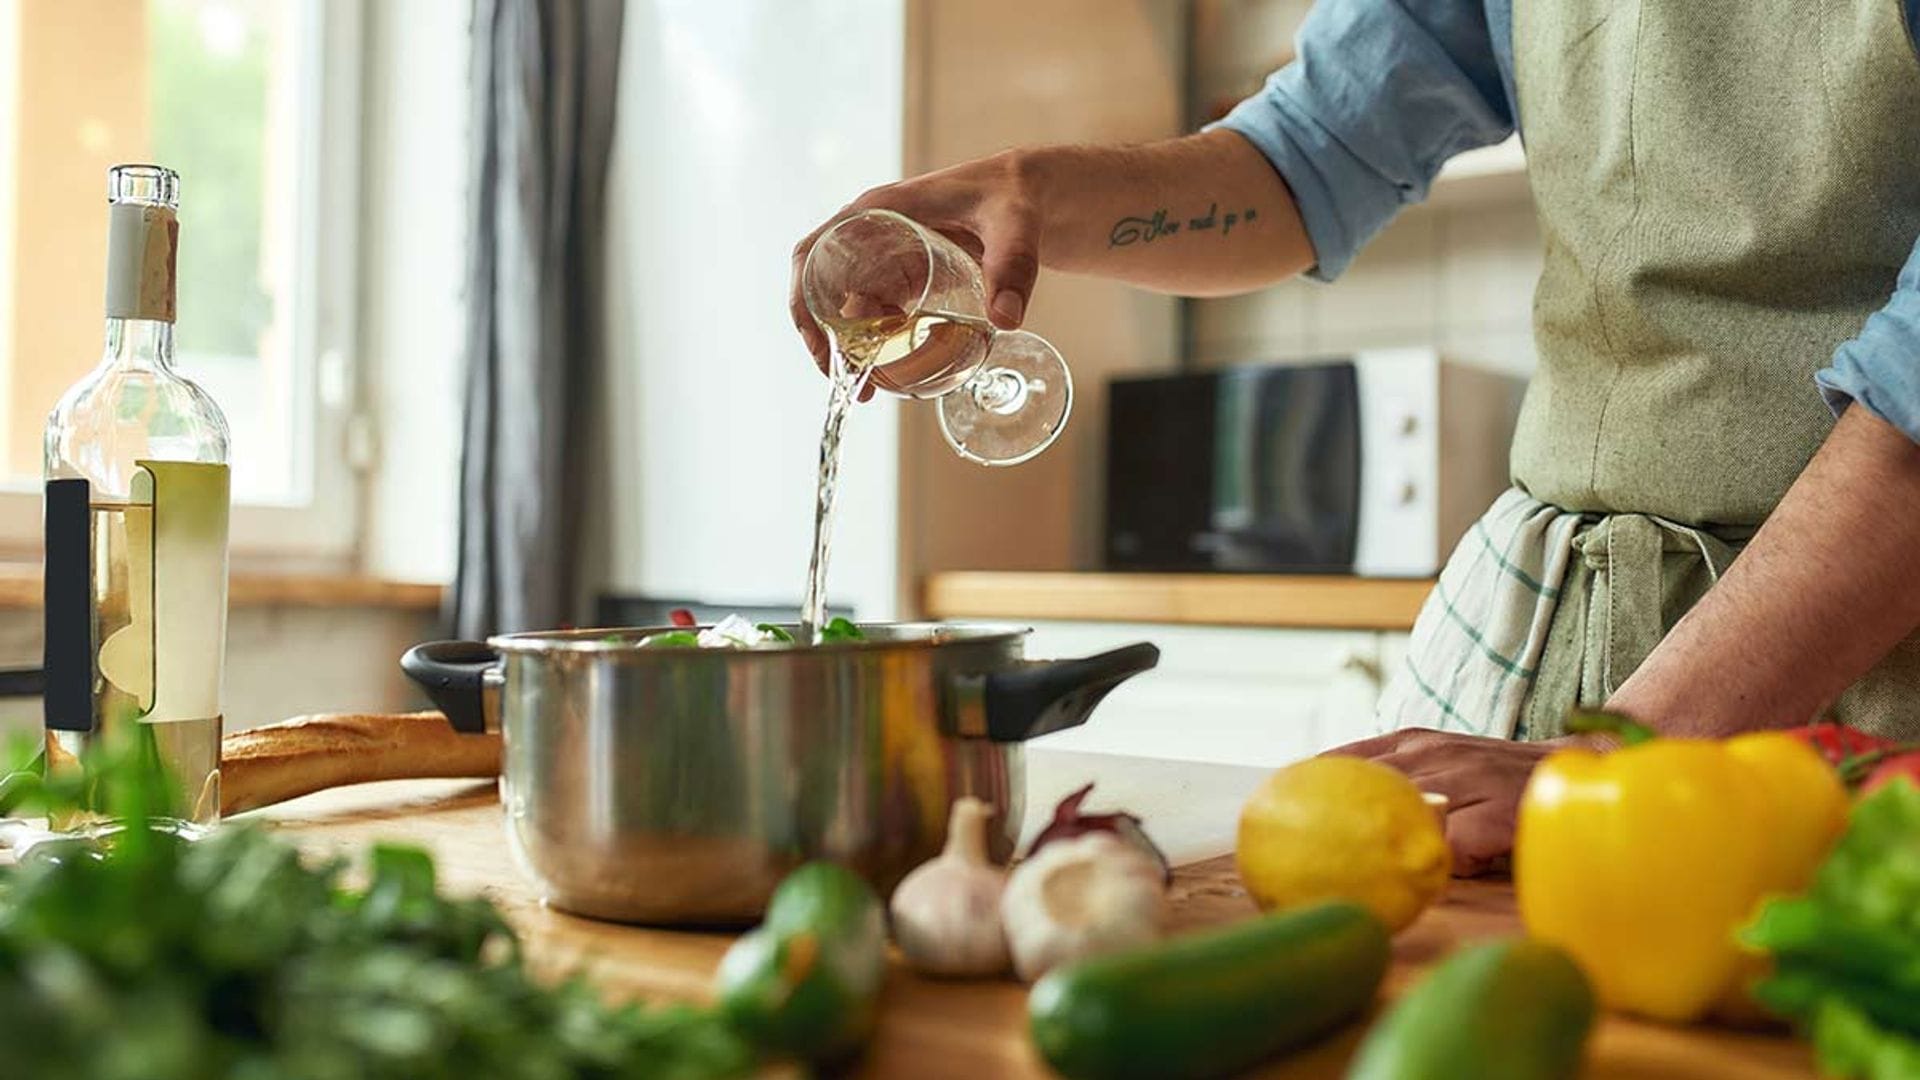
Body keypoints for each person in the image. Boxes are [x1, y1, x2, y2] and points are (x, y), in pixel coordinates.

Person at [791, 0, 1920, 874]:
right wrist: (1027, 192)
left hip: (1862, 667)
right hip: (1583, 659)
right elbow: (1310, 152)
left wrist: (1617, 760)